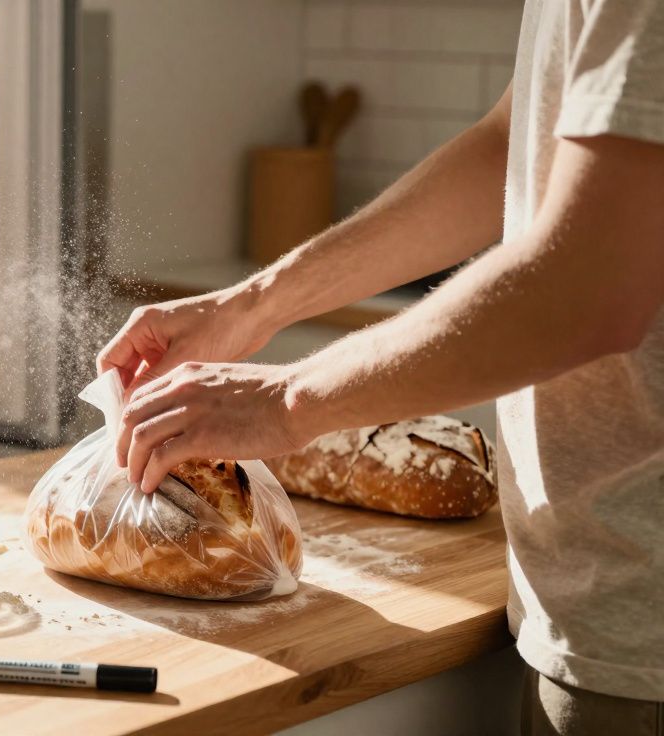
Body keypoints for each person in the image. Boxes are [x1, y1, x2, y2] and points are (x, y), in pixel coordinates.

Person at [98, 2, 664, 734]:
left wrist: (288, 399)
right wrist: (252, 306)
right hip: (588, 606)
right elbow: (509, 145)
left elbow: (587, 290)